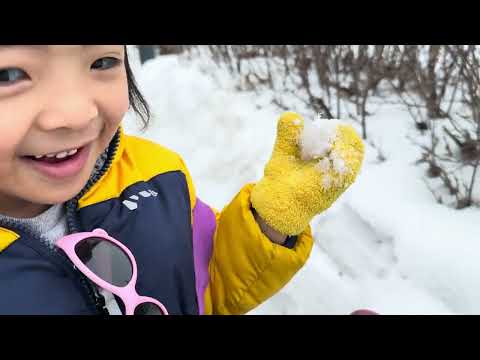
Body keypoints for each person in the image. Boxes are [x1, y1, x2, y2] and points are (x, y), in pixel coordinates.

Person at [0, 45, 364, 315]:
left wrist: (269, 222)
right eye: (10, 74)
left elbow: (202, 289)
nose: (78, 115)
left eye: (102, 62)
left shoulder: (158, 175)